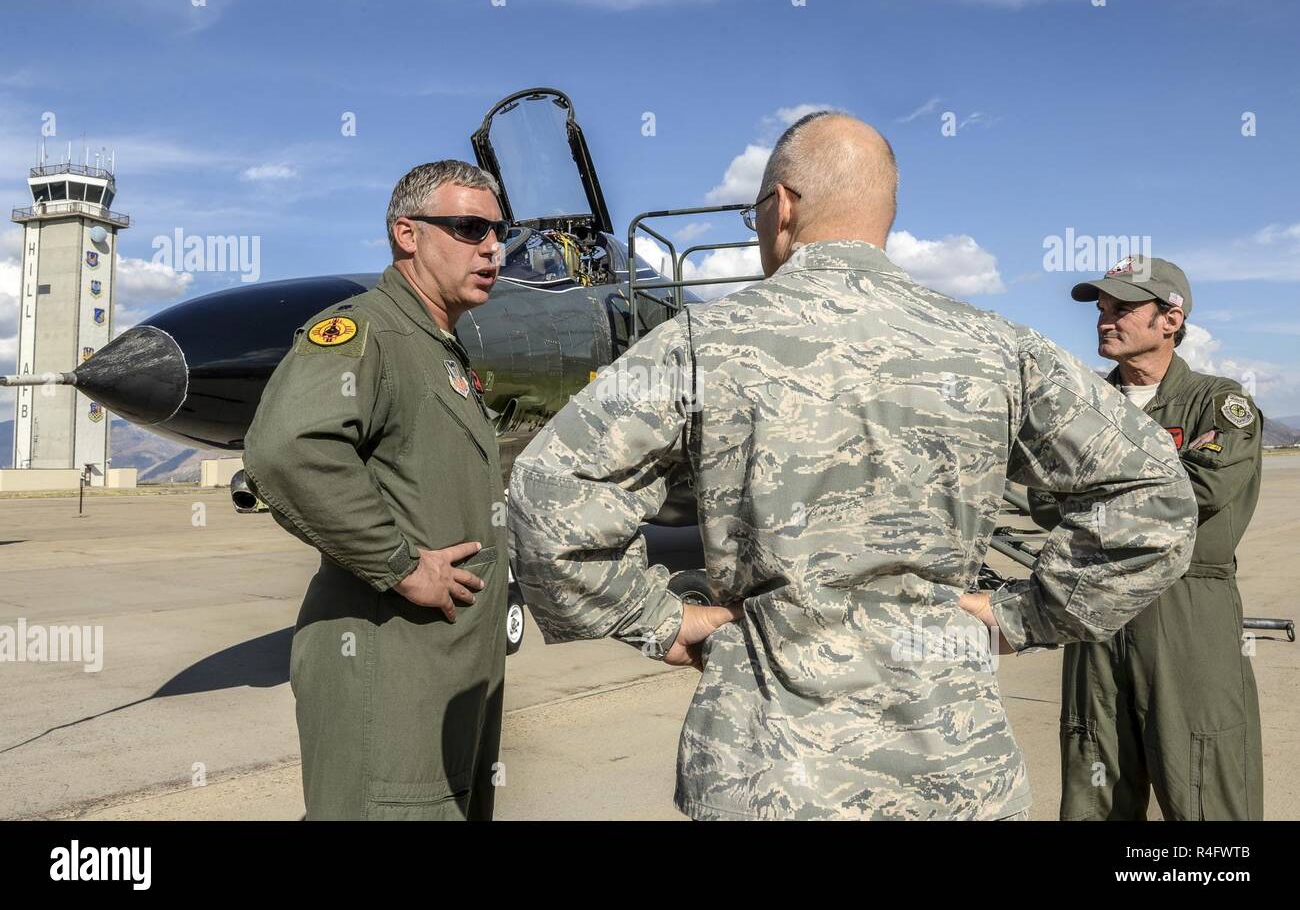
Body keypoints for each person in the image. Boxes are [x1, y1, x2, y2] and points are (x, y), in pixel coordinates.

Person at [506, 112, 1198, 819]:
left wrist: (659, 619)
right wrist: (1025, 614)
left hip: (766, 774)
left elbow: (545, 498)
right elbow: (1157, 498)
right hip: (953, 776)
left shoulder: (701, 343)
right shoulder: (998, 348)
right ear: (885, 216)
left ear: (781, 207)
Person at [243, 160, 509, 819]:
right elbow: (287, 449)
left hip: (442, 676)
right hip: (389, 670)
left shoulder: (439, 348)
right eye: (470, 228)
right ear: (407, 233)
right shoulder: (368, 333)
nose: (492, 248)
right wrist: (399, 565)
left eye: (500, 232)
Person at [1033, 255, 1263, 820]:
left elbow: (1196, 493)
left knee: (1203, 770)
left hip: (1186, 605)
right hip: (1095, 604)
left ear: (1171, 318)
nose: (1105, 320)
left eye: (1124, 308)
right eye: (1102, 308)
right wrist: (1134, 492)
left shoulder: (1217, 401)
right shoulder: (1083, 406)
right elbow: (1042, 498)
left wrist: (1092, 494)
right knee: (1095, 766)